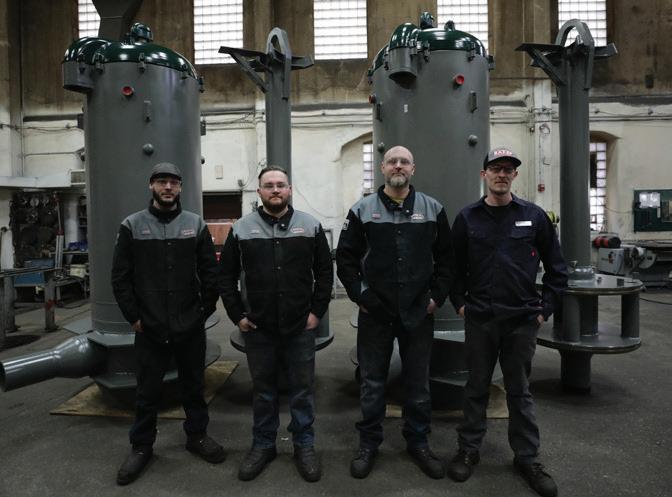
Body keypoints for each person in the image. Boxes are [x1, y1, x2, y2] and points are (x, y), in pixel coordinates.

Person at [447, 147, 568, 497]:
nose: (501, 174)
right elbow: (452, 268)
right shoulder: (467, 218)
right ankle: (468, 450)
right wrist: (460, 305)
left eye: (508, 169)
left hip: (521, 321)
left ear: (515, 175)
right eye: (495, 168)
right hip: (481, 319)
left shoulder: (534, 216)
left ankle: (527, 458)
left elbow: (557, 269)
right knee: (476, 387)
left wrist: (544, 310)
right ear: (484, 174)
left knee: (519, 391)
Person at [335, 145, 453, 480]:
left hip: (418, 310)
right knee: (372, 382)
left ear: (413, 169)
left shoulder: (432, 209)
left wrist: (435, 297)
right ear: (382, 168)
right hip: (376, 311)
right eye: (392, 162)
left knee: (418, 383)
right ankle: (369, 443)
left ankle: (418, 442)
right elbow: (345, 258)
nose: (398, 166)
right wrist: (360, 295)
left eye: (404, 162)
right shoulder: (362, 210)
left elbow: (447, 259)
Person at [111, 162, 225, 485]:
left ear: (180, 187)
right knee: (147, 392)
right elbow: (120, 277)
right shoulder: (132, 226)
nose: (168, 187)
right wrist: (134, 317)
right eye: (161, 181)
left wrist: (202, 312)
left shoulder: (195, 224)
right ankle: (141, 446)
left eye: (173, 182)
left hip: (189, 325)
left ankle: (197, 435)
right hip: (150, 327)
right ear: (151, 186)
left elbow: (210, 272)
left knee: (194, 386)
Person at [219, 166, 333, 483]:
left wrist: (316, 312)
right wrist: (238, 315)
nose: (275, 190)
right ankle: (263, 445)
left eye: (280, 185)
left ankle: (304, 445)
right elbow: (225, 277)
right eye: (268, 185)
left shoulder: (310, 226)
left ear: (289, 190)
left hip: (300, 327)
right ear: (259, 192)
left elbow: (325, 273)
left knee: (302, 391)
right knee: (264, 392)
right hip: (259, 328)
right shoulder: (241, 229)